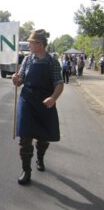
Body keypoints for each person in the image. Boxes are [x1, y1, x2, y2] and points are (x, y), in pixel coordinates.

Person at [12, 29, 64, 185]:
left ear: (40, 44)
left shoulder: (52, 61)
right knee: (25, 138)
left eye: (31, 43)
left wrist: (53, 98)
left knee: (43, 137)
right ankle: (26, 170)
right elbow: (20, 80)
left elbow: (59, 83)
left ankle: (40, 157)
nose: (28, 45)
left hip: (44, 102)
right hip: (27, 100)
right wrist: (16, 79)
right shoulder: (28, 60)